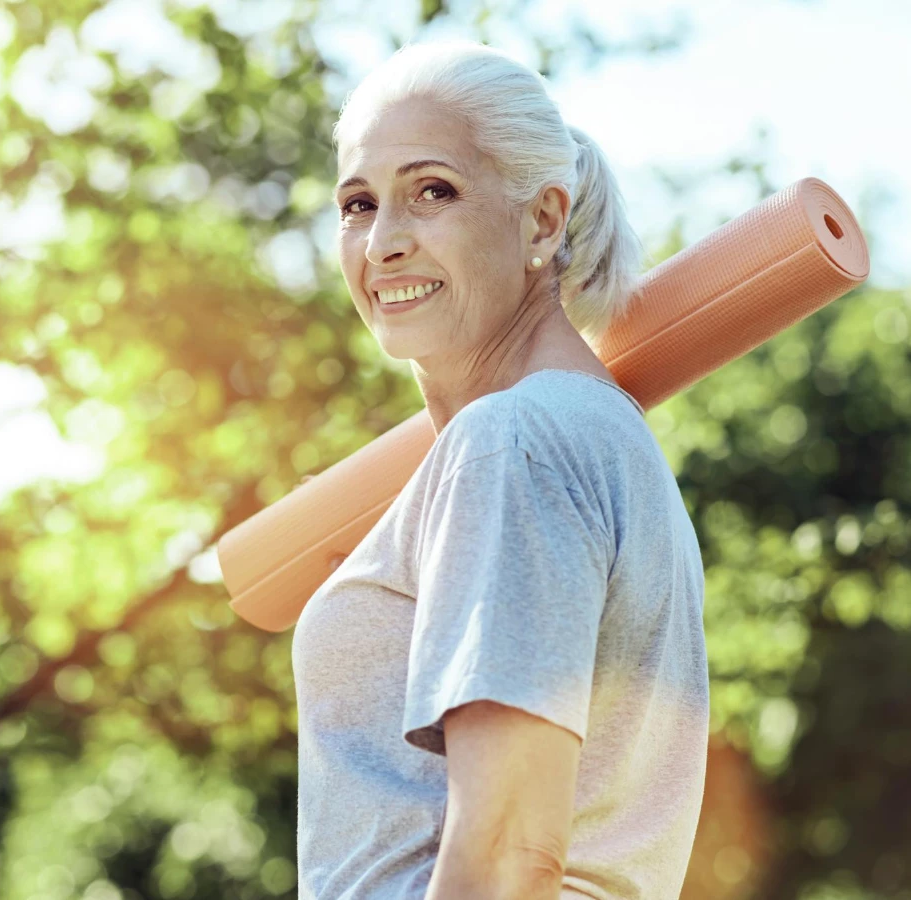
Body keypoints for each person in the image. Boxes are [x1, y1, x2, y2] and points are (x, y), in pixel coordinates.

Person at [290, 39, 709, 899]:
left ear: (544, 220)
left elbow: (511, 852)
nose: (383, 243)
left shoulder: (513, 443)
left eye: (432, 191)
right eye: (358, 204)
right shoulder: (582, 435)